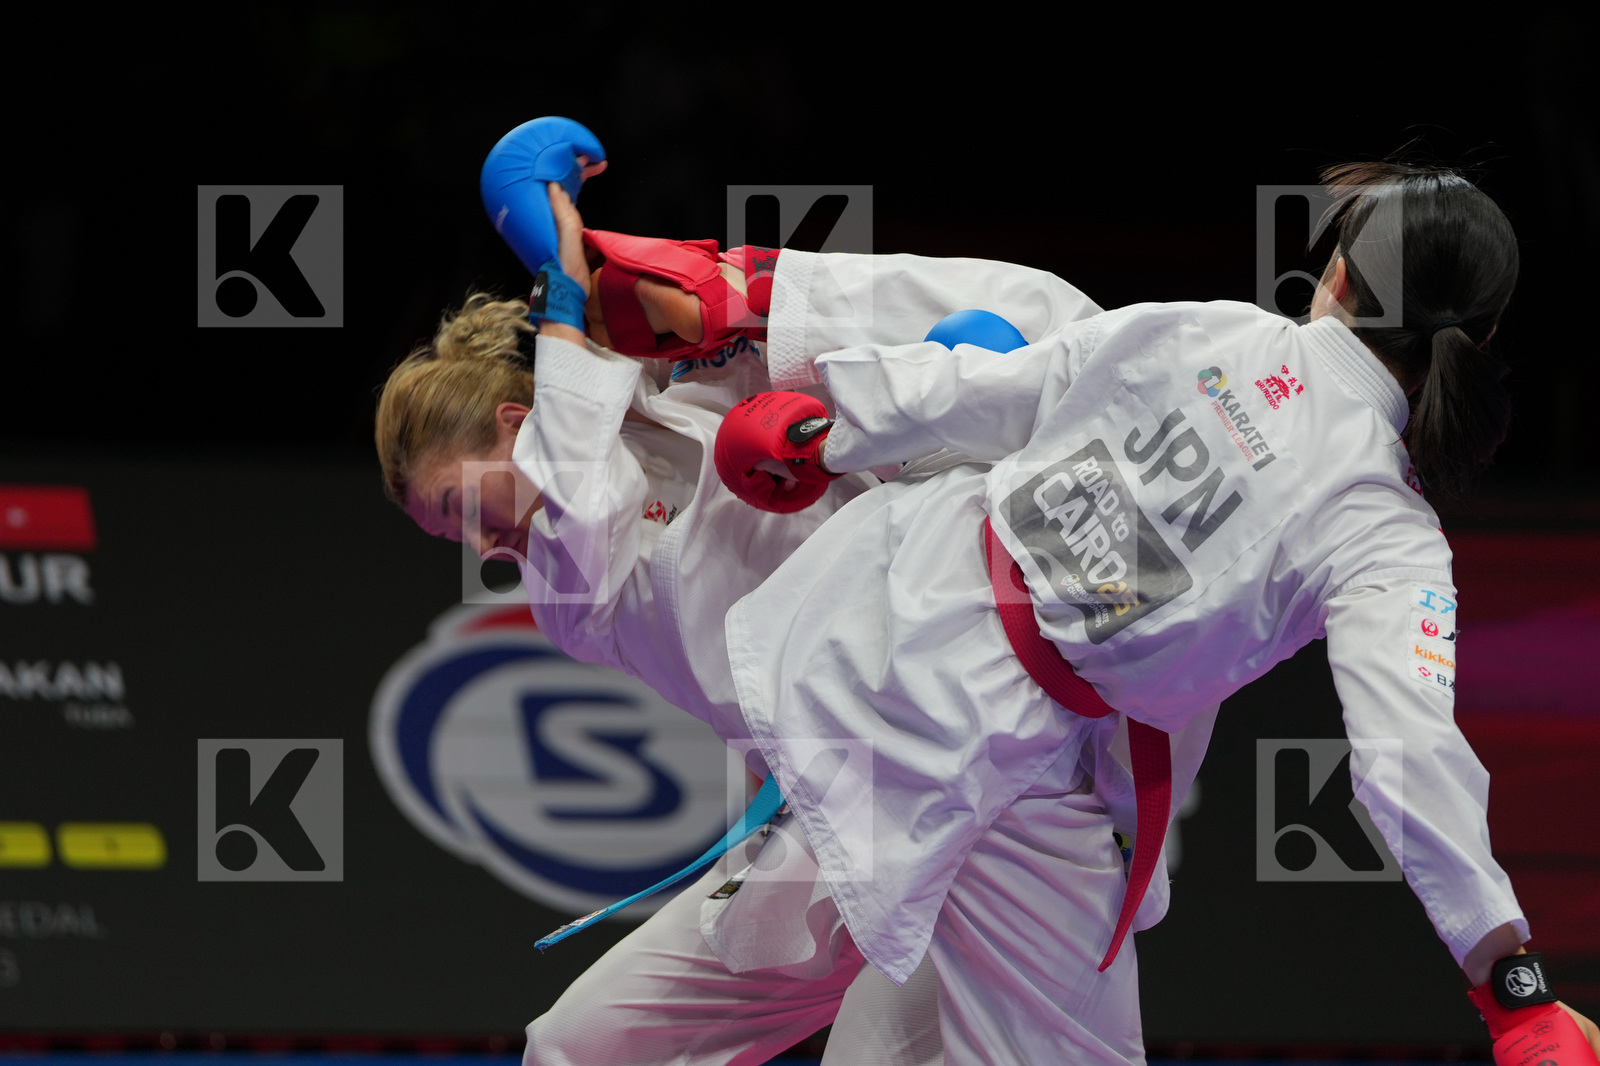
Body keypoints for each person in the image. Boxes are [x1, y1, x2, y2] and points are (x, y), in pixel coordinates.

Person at [704, 161, 1600, 1063]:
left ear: (1336, 273)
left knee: (800, 1006)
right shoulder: (1388, 531)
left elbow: (1007, 389)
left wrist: (827, 434)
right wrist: (1508, 981)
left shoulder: (1219, 328)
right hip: (1026, 778)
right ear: (1480, 338)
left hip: (880, 623)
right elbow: (1408, 750)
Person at [375, 179, 1105, 1063]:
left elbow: (937, 320)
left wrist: (708, 297)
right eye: (449, 534)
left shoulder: (704, 379)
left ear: (514, 421)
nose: (481, 545)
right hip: (839, 816)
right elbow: (581, 493)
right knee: (576, 1049)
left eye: (463, 507)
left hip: (984, 782)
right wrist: (563, 295)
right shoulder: (566, 588)